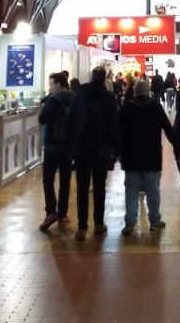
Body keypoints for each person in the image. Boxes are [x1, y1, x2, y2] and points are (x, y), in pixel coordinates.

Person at [68, 66, 119, 240]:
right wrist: (116, 149)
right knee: (99, 187)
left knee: (82, 188)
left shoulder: (79, 95)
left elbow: (71, 120)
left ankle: (82, 226)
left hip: (81, 149)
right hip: (101, 149)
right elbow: (113, 125)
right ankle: (98, 224)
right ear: (104, 79)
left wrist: (70, 147)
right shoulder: (108, 98)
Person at [119, 78, 174, 235]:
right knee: (153, 190)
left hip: (131, 156)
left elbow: (118, 130)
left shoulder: (126, 107)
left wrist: (118, 152)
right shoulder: (155, 107)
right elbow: (167, 127)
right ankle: (155, 221)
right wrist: (177, 146)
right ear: (148, 91)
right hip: (152, 155)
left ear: (134, 91)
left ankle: (130, 222)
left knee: (131, 190)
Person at [38, 72, 73, 230]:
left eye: (51, 84)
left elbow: (42, 119)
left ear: (58, 84)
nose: (50, 87)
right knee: (65, 180)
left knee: (48, 179)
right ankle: (63, 213)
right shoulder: (74, 98)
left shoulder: (52, 100)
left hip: (52, 145)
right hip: (68, 146)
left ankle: (51, 211)